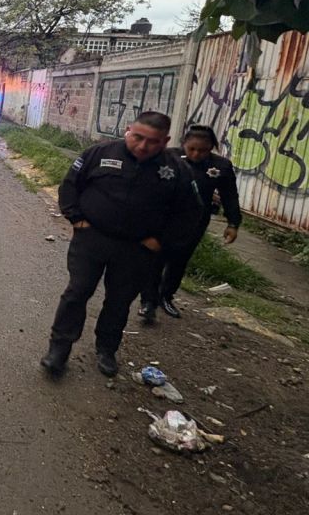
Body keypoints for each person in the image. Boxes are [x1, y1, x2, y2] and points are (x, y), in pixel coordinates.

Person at [40, 111, 199, 379]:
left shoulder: (177, 171)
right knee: (77, 293)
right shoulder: (100, 153)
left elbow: (190, 213)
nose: (143, 146)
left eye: (153, 141)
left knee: (119, 301)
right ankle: (59, 349)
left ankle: (106, 349)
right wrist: (76, 219)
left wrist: (161, 241)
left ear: (166, 140)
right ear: (128, 130)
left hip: (136, 249)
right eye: (137, 137)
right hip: (92, 239)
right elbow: (70, 185)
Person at [138, 125, 241, 321]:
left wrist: (233, 224)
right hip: (164, 218)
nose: (196, 154)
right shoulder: (168, 157)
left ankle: (166, 296)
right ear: (184, 144)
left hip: (194, 221)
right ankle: (148, 301)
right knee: (155, 258)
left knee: (179, 259)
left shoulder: (221, 166)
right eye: (191, 148)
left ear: (211, 147)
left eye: (203, 150)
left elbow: (230, 197)